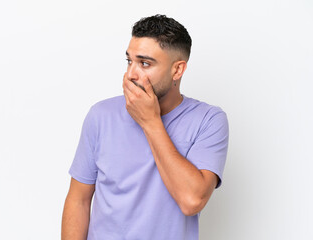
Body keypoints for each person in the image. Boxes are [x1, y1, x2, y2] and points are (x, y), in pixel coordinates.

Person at [61, 14, 229, 240]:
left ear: (177, 70)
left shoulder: (208, 120)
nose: (131, 74)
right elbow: (78, 200)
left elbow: (192, 201)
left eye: (145, 63)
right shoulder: (100, 115)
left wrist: (150, 121)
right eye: (129, 61)